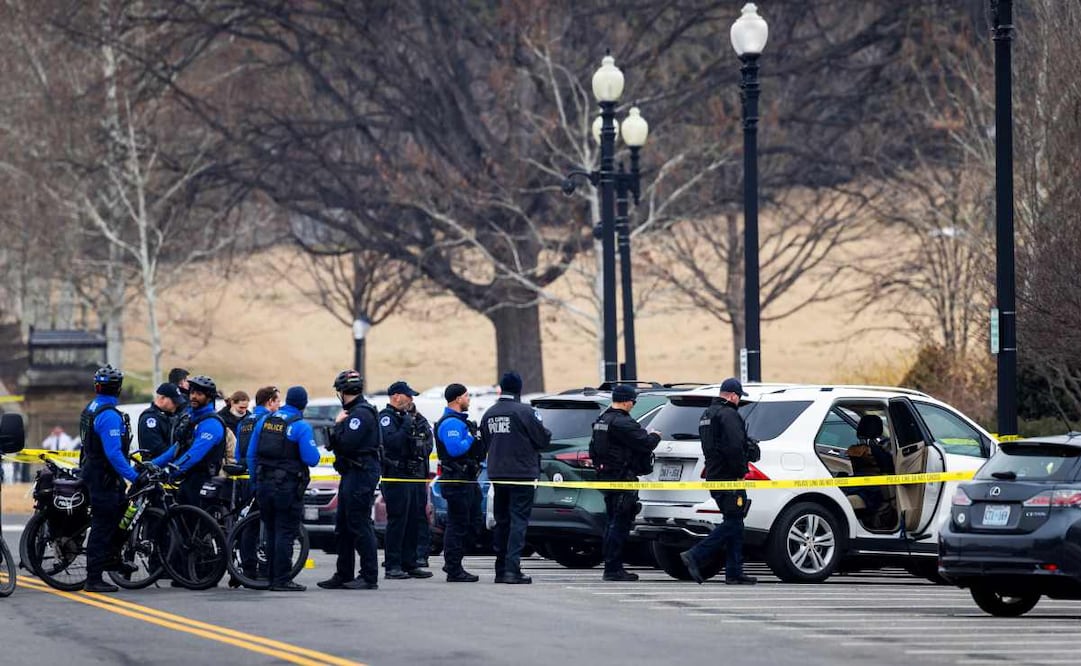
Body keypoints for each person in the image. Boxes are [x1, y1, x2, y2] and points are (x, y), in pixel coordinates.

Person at [680, 378, 758, 585]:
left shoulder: (707, 414)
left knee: (735, 522)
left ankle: (734, 572)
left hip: (714, 475)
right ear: (733, 395)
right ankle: (695, 555)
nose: (738, 402)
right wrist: (741, 470)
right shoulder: (729, 414)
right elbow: (733, 447)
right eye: (739, 398)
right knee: (733, 522)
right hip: (729, 477)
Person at [480, 371, 551, 584]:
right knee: (518, 521)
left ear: (501, 388)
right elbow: (542, 439)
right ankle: (512, 569)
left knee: (502, 522)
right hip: (521, 474)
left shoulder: (489, 413)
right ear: (518, 389)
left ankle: (500, 570)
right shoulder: (525, 411)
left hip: (497, 473)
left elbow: (485, 442)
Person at [248, 386, 319, 591]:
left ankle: (269, 576)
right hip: (287, 488)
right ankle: (281, 579)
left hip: (264, 484)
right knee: (285, 532)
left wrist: (255, 482)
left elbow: (252, 455)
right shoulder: (300, 426)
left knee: (270, 531)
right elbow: (311, 459)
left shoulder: (265, 420)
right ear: (304, 404)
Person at [317, 370, 381, 591]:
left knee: (359, 523)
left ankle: (368, 576)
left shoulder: (360, 414)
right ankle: (344, 573)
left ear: (342, 392)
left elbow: (345, 444)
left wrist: (337, 426)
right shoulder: (353, 413)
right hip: (352, 473)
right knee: (343, 525)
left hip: (361, 473)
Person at [590, 384, 661, 582]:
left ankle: (611, 565)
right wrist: (655, 436)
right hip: (622, 478)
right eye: (633, 401)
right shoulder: (622, 422)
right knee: (619, 524)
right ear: (626, 401)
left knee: (612, 521)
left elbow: (592, 450)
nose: (633, 405)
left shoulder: (601, 420)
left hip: (606, 477)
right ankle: (613, 568)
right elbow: (645, 443)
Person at [80, 365, 140, 593]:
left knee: (121, 513)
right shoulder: (108, 416)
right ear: (118, 389)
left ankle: (111, 558)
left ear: (97, 387)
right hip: (103, 477)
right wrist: (133, 475)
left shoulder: (91, 407)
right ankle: (93, 578)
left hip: (93, 472)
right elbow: (113, 453)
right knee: (102, 524)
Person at [378, 380, 433, 579]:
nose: (411, 400)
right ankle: (392, 565)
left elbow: (425, 441)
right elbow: (391, 442)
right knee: (398, 521)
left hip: (413, 476)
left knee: (413, 521)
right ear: (396, 396)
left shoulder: (410, 417)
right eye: (408, 396)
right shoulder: (386, 418)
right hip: (396, 476)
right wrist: (407, 425)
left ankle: (409, 563)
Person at [434, 383, 485, 582]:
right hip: (456, 482)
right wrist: (471, 437)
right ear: (457, 399)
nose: (468, 399)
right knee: (458, 524)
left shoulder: (461, 421)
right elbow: (456, 449)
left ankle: (454, 562)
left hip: (467, 481)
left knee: (473, 522)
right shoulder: (450, 423)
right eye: (466, 396)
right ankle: (453, 568)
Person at [150, 375, 227, 507]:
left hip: (205, 482)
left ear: (209, 397)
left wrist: (171, 471)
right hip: (188, 480)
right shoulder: (191, 418)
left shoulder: (211, 423)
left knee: (195, 524)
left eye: (199, 394)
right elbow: (176, 448)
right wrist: (152, 465)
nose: (193, 397)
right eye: (192, 392)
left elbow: (194, 454)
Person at [137, 383, 183, 460]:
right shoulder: (149, 418)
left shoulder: (171, 416)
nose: (177, 405)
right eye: (174, 402)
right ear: (162, 398)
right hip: (155, 467)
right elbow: (156, 449)